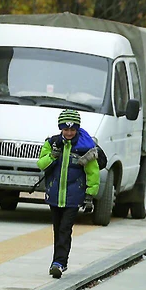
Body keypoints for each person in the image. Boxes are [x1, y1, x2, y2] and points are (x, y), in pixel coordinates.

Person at [37, 109, 100, 279]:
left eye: (73, 129)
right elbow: (41, 164)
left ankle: (59, 263)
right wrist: (53, 156)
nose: (69, 132)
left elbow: (93, 172)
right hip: (55, 195)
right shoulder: (52, 143)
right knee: (57, 229)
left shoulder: (84, 148)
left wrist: (89, 195)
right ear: (61, 128)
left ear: (77, 129)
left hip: (74, 196)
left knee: (65, 229)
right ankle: (58, 261)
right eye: (66, 129)